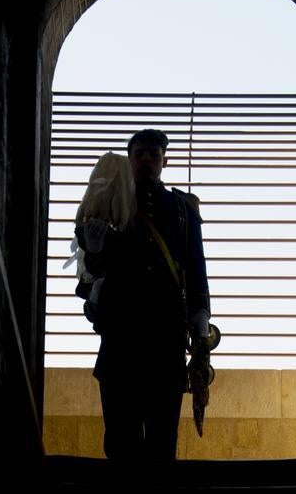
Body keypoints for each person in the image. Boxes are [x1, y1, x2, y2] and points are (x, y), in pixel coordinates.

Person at [74, 129, 210, 460]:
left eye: (153, 154)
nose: (146, 160)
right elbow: (95, 271)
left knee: (163, 439)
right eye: (140, 154)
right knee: (120, 438)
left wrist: (201, 325)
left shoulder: (182, 208)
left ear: (165, 160)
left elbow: (195, 268)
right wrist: (93, 250)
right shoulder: (108, 200)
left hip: (166, 337)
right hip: (121, 333)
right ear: (130, 158)